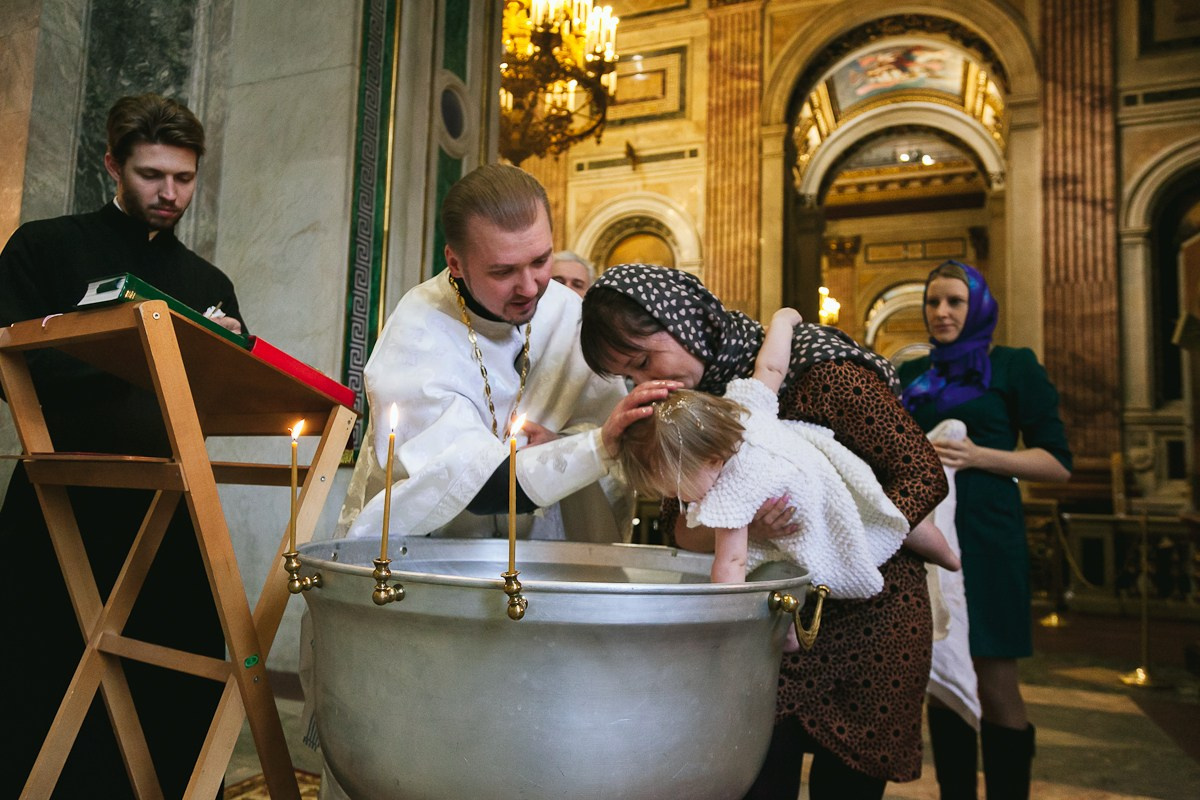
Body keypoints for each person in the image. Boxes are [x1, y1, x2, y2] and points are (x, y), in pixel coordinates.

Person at [581, 264, 948, 799]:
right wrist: (747, 523)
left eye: (643, 361)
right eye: (629, 378)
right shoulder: (685, 417)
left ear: (684, 321)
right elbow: (679, 530)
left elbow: (922, 472)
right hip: (776, 638)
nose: (646, 384)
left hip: (872, 620)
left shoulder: (821, 371)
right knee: (755, 783)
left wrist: (850, 528)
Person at [0, 94, 243, 797]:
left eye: (185, 178)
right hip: (60, 502)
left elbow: (219, 401)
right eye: (151, 175)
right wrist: (113, 346)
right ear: (112, 164)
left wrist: (225, 347)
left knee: (176, 676)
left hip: (165, 510)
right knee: (35, 673)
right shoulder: (44, 247)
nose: (171, 194)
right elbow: (12, 360)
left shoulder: (208, 285)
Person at [336, 165, 669, 544]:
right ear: (456, 263)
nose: (529, 288)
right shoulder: (418, 330)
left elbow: (616, 437)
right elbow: (473, 486)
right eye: (503, 271)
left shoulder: (569, 313)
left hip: (551, 550)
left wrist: (570, 440)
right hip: (437, 555)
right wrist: (597, 447)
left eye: (541, 261)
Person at [618, 308, 959, 588]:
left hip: (814, 517)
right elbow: (771, 367)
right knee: (891, 517)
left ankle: (789, 633)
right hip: (825, 474)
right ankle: (949, 557)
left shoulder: (730, 495)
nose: (685, 500)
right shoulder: (742, 411)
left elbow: (731, 564)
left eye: (680, 491)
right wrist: (783, 322)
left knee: (780, 569)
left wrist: (724, 610)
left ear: (710, 458)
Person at [899, 260, 1072, 800]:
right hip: (929, 537)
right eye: (933, 302)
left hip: (991, 537)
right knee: (943, 681)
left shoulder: (1013, 366)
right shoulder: (911, 376)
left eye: (955, 301)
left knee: (995, 681)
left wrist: (979, 455)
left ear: (979, 306)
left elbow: (1057, 464)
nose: (942, 312)